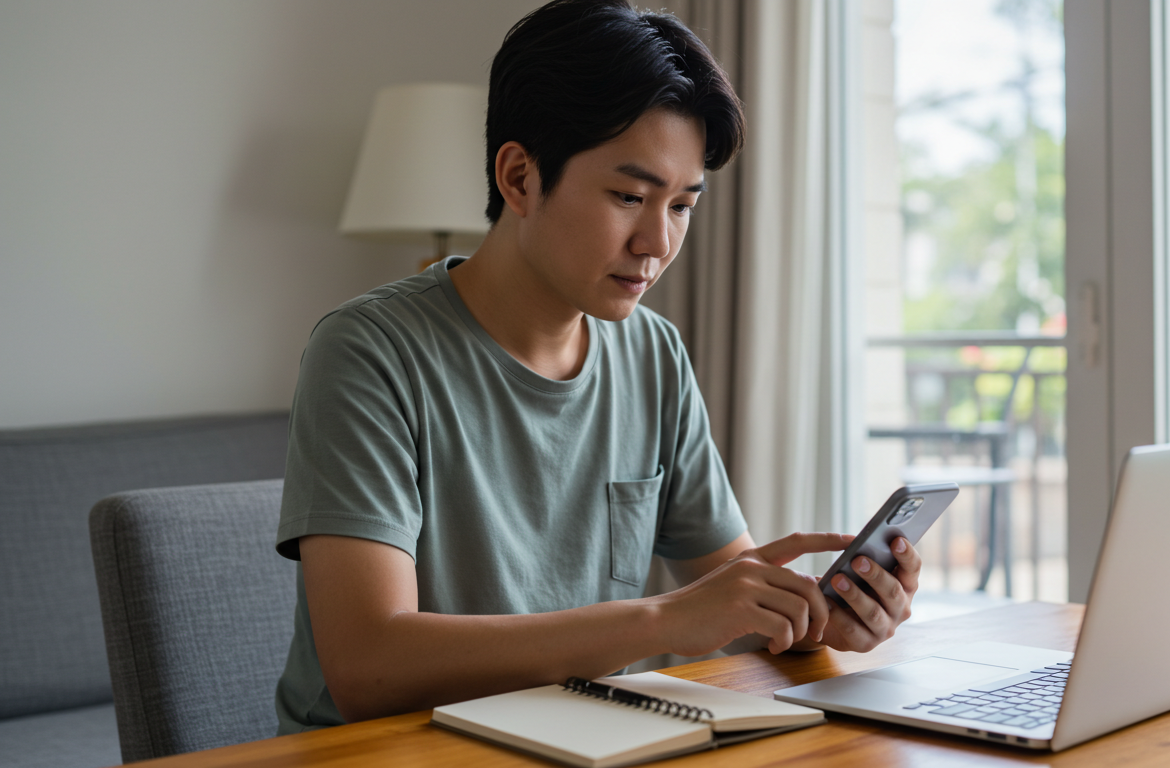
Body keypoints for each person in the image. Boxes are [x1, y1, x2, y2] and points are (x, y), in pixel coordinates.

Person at [272, 0, 921, 734]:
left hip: (594, 738)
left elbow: (722, 607)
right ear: (519, 178)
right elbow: (368, 666)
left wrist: (816, 616)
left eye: (682, 205)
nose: (657, 242)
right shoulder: (368, 352)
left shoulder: (653, 353)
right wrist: (659, 621)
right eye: (629, 196)